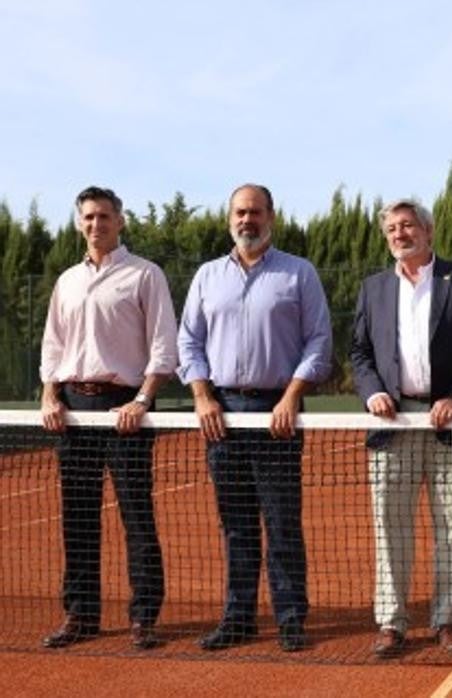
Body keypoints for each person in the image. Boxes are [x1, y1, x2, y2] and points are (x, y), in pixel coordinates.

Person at [177, 183, 333, 652]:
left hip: (277, 413)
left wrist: (290, 397)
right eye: (240, 213)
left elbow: (319, 341)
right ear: (230, 218)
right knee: (236, 522)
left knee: (282, 521)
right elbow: (188, 342)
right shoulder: (206, 276)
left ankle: (289, 617)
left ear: (271, 217)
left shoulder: (299, 273)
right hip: (220, 415)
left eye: (256, 213)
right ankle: (238, 617)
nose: (248, 221)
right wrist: (203, 396)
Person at [350, 199, 452, 657]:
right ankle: (392, 623)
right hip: (393, 427)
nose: (398, 234)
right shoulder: (372, 288)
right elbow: (360, 353)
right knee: (391, 527)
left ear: (428, 232)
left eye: (407, 225)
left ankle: (447, 619)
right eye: (391, 228)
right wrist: (372, 392)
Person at [38, 186, 177, 650]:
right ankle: (80, 615)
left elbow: (163, 345)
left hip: (126, 409)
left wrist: (142, 400)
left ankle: (144, 618)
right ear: (80, 223)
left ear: (120, 221)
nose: (96, 225)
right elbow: (53, 345)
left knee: (137, 516)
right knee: (77, 517)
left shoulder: (145, 275)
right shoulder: (66, 281)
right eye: (89, 217)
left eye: (104, 216)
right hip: (74, 411)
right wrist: (49, 395)